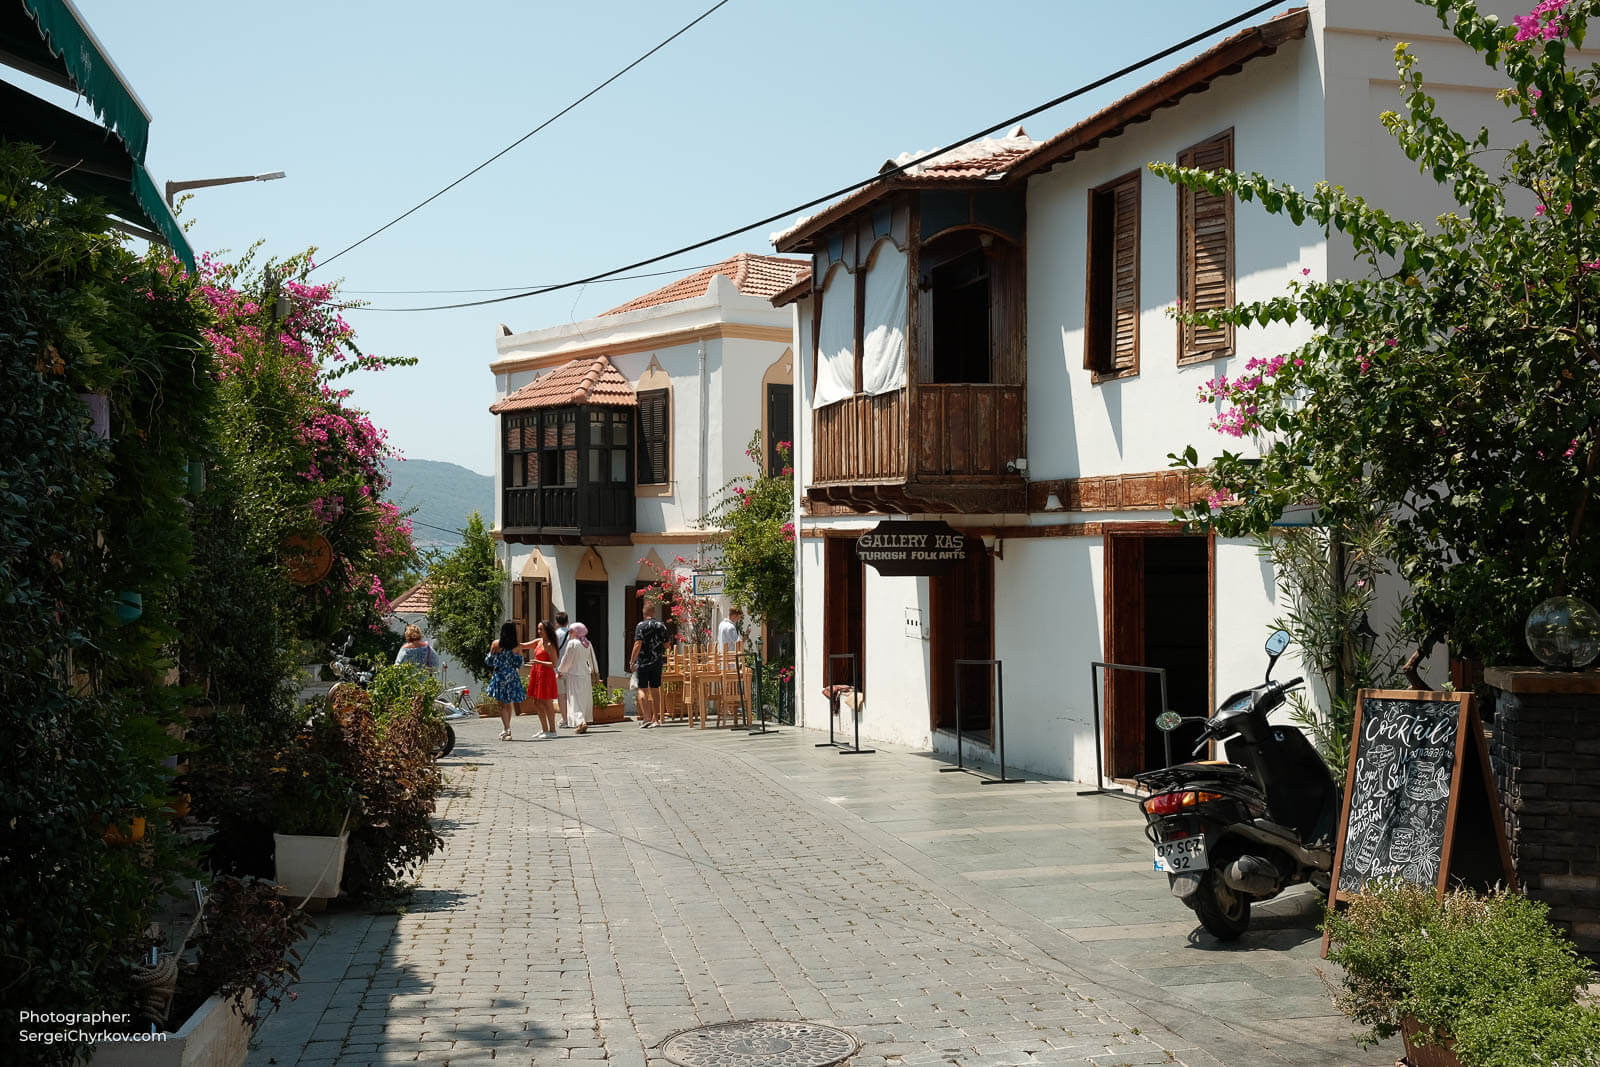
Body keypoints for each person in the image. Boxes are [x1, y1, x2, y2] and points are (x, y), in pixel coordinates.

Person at [629, 603, 669, 728]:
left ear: (644, 613)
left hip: (643, 662)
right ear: (653, 613)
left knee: (642, 689)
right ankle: (656, 719)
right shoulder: (662, 626)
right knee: (655, 690)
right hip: (657, 661)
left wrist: (632, 661)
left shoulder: (641, 626)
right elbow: (667, 645)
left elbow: (638, 644)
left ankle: (646, 718)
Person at [485, 621, 527, 741]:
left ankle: (506, 728)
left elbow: (488, 660)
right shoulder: (517, 646)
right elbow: (519, 663)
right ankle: (507, 728)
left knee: (501, 704)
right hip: (512, 675)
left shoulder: (496, 644)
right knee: (508, 703)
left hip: (499, 675)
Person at [557, 622, 597, 733]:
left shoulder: (572, 643)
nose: (569, 633)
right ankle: (582, 720)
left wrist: (560, 670)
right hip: (585, 675)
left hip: (574, 675)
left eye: (571, 631)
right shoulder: (587, 643)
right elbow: (592, 660)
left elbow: (566, 659)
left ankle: (580, 722)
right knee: (583, 700)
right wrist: (595, 673)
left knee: (574, 700)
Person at [527, 620, 561, 739]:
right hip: (537, 674)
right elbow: (523, 645)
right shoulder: (538, 641)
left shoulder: (550, 645)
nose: (539, 631)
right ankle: (544, 729)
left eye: (541, 629)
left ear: (547, 631)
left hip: (546, 675)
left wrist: (538, 661)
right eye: (538, 629)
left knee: (547, 702)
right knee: (536, 702)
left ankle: (552, 730)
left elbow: (554, 664)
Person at [553, 610, 571, 725]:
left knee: (561, 695)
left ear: (557, 622)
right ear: (567, 621)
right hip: (571, 668)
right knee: (571, 695)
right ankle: (573, 718)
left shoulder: (555, 634)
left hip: (558, 668)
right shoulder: (572, 634)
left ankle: (565, 719)